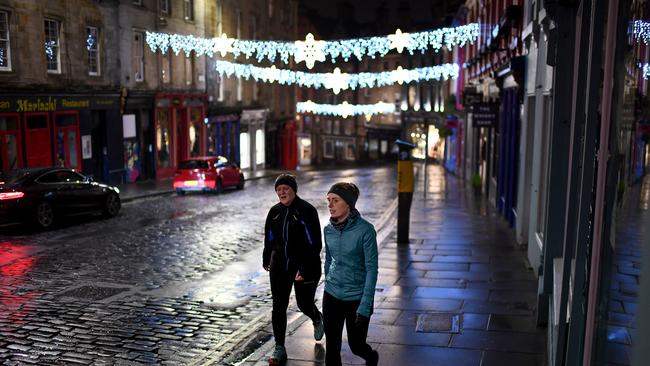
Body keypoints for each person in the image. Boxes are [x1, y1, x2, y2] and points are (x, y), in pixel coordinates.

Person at [263, 173, 325, 365]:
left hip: (305, 265)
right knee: (278, 307)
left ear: (293, 190)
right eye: (278, 189)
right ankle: (279, 348)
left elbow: (315, 244)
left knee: (303, 303)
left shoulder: (307, 210)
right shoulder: (274, 212)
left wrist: (304, 268)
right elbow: (270, 238)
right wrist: (267, 258)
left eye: (285, 189)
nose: (282, 192)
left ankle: (316, 317)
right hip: (280, 265)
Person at [323, 182, 379, 366]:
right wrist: (328, 279)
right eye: (328, 200)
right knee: (331, 349)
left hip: (356, 297)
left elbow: (372, 269)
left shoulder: (365, 230)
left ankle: (371, 357)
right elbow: (329, 259)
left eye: (335, 200)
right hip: (331, 296)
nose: (330, 205)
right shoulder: (328, 230)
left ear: (348, 204)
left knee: (356, 346)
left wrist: (364, 307)